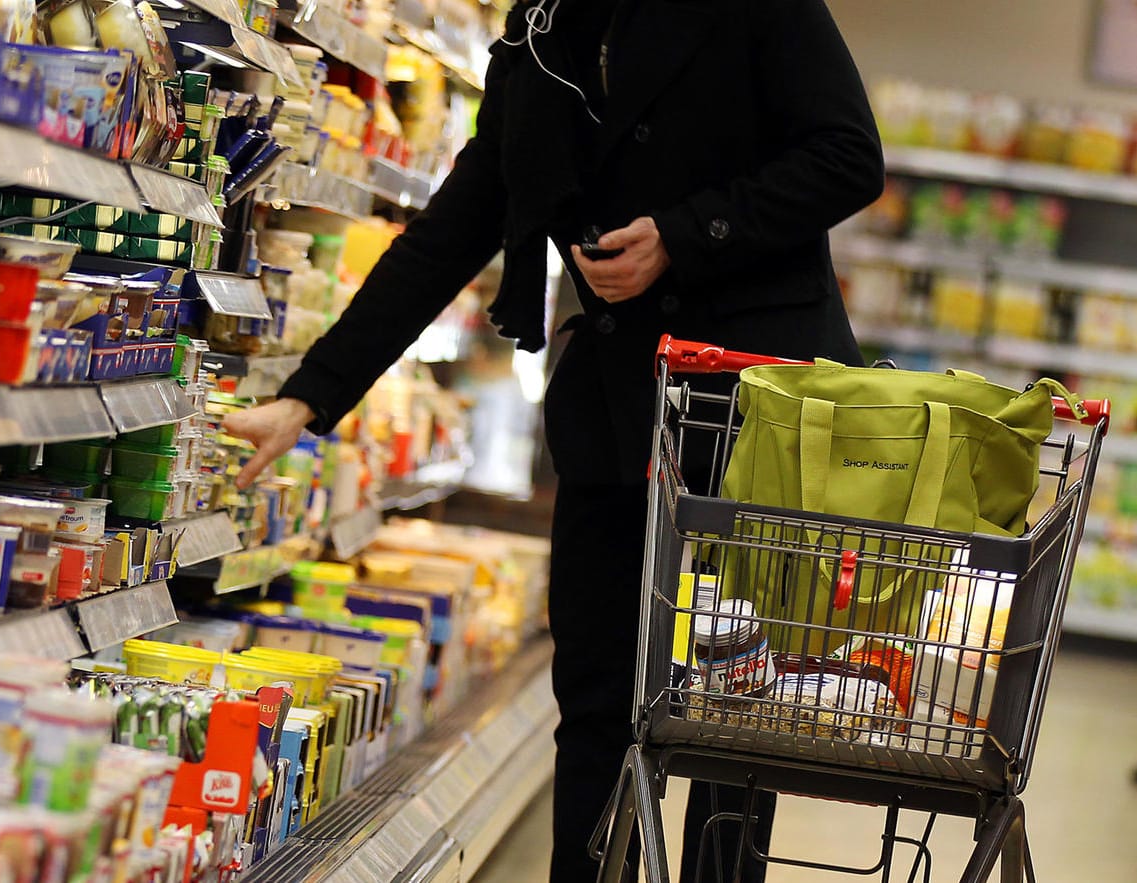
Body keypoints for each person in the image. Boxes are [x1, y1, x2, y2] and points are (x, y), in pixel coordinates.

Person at [223, 0, 884, 879]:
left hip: (753, 408)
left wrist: (683, 238)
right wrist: (308, 396)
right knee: (597, 700)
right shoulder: (542, 32)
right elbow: (455, 226)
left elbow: (846, 157)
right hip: (616, 409)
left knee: (737, 714)